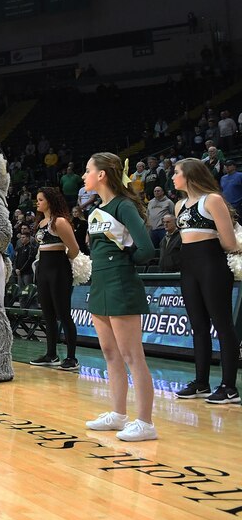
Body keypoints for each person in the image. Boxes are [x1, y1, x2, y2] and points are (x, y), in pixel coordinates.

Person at [82, 152, 158, 442]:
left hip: (120, 282)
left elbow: (146, 250)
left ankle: (146, 422)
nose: (85, 175)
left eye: (88, 170)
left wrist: (124, 262)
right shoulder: (95, 210)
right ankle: (118, 414)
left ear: (102, 174)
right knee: (110, 353)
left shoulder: (124, 206)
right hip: (99, 283)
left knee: (132, 355)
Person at [171, 158, 240, 405]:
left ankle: (229, 387)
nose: (172, 177)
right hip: (188, 266)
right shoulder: (179, 206)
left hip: (212, 264)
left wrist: (208, 246)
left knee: (222, 324)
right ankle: (201, 382)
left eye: (176, 173)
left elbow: (230, 242)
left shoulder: (212, 200)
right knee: (197, 325)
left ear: (189, 175)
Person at [29, 188, 82, 371]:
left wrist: (63, 263)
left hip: (59, 268)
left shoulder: (60, 221)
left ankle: (72, 357)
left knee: (64, 314)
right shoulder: (41, 222)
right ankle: (51, 354)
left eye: (41, 199)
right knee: (48, 313)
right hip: (43, 268)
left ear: (50, 201)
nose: (38, 203)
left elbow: (74, 249)